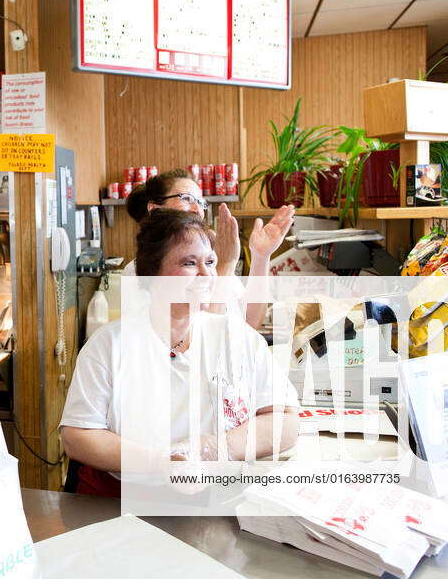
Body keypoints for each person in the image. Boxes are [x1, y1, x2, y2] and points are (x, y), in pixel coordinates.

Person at [59, 210, 299, 497]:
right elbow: (77, 436)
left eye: (210, 262)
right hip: (120, 500)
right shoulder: (109, 345)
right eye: (189, 263)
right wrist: (161, 463)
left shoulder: (237, 338)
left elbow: (284, 422)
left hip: (216, 501)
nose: (206, 274)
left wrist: (210, 449)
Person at [125, 168, 295, 329]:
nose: (197, 209)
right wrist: (226, 264)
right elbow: (203, 337)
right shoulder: (141, 271)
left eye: (200, 202)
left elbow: (250, 322)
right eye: (186, 198)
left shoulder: (211, 264)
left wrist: (261, 257)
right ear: (155, 209)